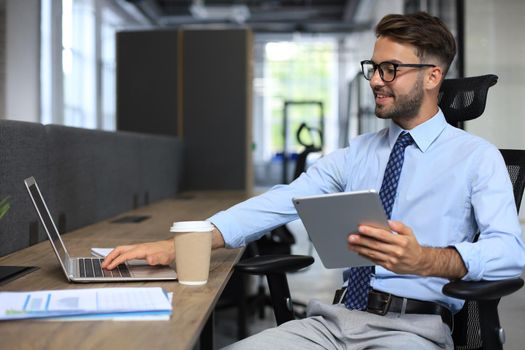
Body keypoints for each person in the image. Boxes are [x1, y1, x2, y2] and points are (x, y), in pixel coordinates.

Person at [102, 12, 525, 349]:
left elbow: (510, 251)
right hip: (331, 324)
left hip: (411, 331)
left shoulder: (476, 158)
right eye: (374, 68)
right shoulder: (358, 152)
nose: (375, 80)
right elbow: (283, 199)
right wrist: (182, 243)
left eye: (390, 69)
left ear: (433, 76)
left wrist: (428, 260)